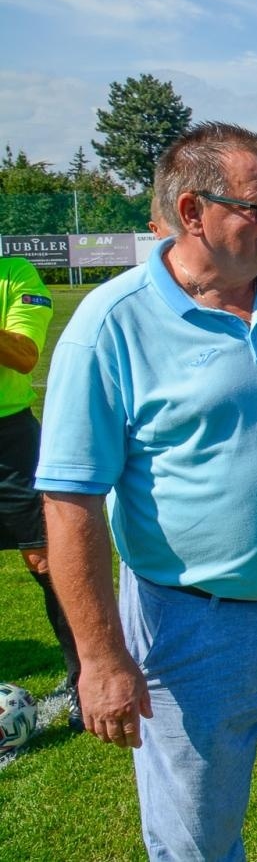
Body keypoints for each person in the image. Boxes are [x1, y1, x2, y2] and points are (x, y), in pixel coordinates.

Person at [36, 122, 257, 860]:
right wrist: (101, 659)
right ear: (193, 211)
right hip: (191, 625)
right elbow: (70, 503)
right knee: (198, 840)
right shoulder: (110, 325)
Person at [0, 256, 81, 737]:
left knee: (49, 562)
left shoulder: (16, 275)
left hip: (8, 440)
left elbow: (25, 355)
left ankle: (84, 678)